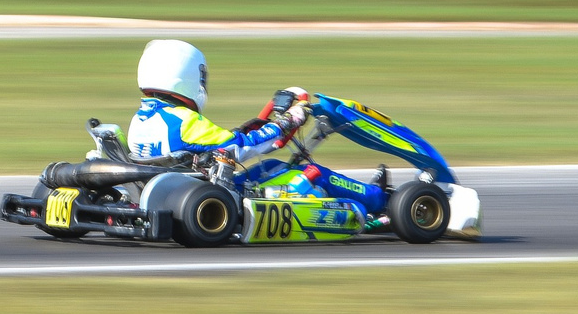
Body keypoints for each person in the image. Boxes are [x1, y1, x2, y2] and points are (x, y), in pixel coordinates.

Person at [126, 38, 385, 214]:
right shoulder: (184, 121)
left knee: (272, 167)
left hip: (173, 194)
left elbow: (218, 143)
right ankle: (381, 200)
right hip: (212, 195)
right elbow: (242, 147)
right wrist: (289, 120)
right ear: (187, 77)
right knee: (312, 173)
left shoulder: (140, 119)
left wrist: (250, 129)